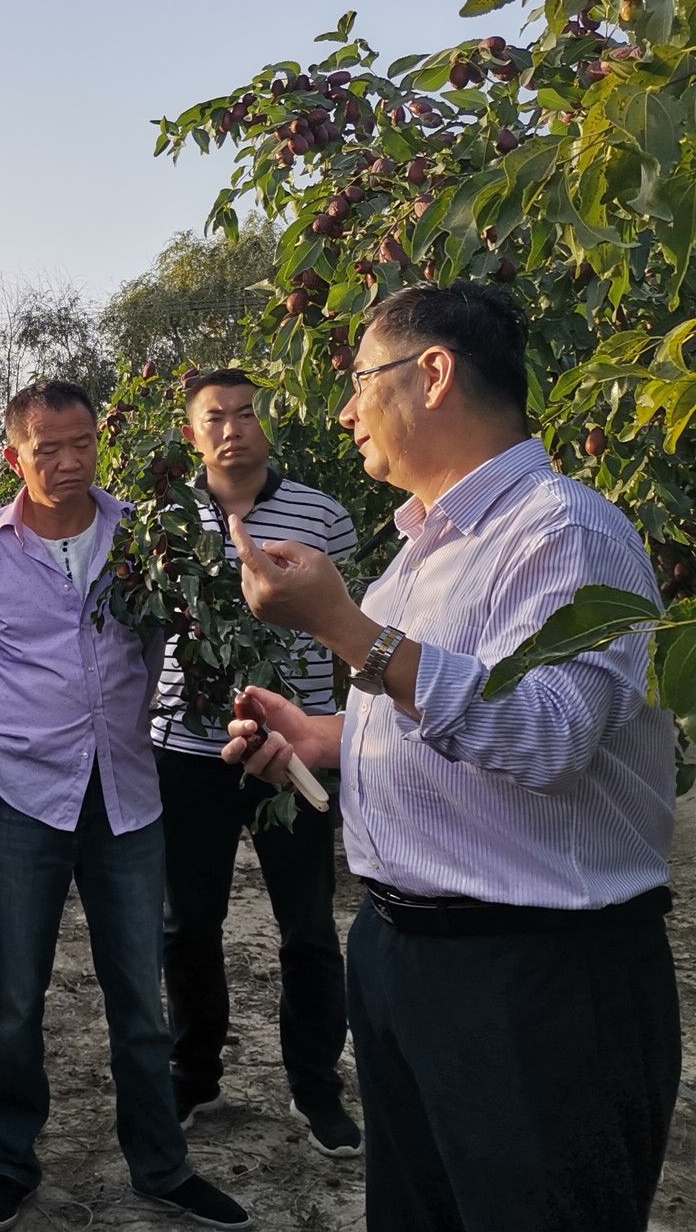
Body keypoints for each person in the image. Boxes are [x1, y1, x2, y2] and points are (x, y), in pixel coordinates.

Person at [223, 283, 680, 1232]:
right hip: (407, 959)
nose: (345, 409)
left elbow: (551, 734)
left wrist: (350, 633)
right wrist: (328, 740)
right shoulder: (421, 553)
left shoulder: (567, 530)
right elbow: (439, 719)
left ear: (433, 374)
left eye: (358, 380)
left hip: (536, 978)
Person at [0, 381, 249, 1232]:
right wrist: (21, 738)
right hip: (17, 793)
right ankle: (11, 1158)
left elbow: (150, 649)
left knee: (139, 1000)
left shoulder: (139, 537)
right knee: (14, 996)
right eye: (51, 449)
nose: (72, 462)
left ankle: (160, 1164)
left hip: (124, 790)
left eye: (84, 444)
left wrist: (105, 726)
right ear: (15, 457)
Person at [150, 370, 361, 1157]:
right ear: (191, 434)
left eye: (246, 414)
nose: (232, 428)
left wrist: (331, 730)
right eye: (216, 417)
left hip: (290, 751)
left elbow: (346, 636)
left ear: (268, 425)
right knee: (186, 924)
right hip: (188, 751)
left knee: (307, 926)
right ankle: (192, 1073)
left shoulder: (323, 515)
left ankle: (316, 1086)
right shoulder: (161, 519)